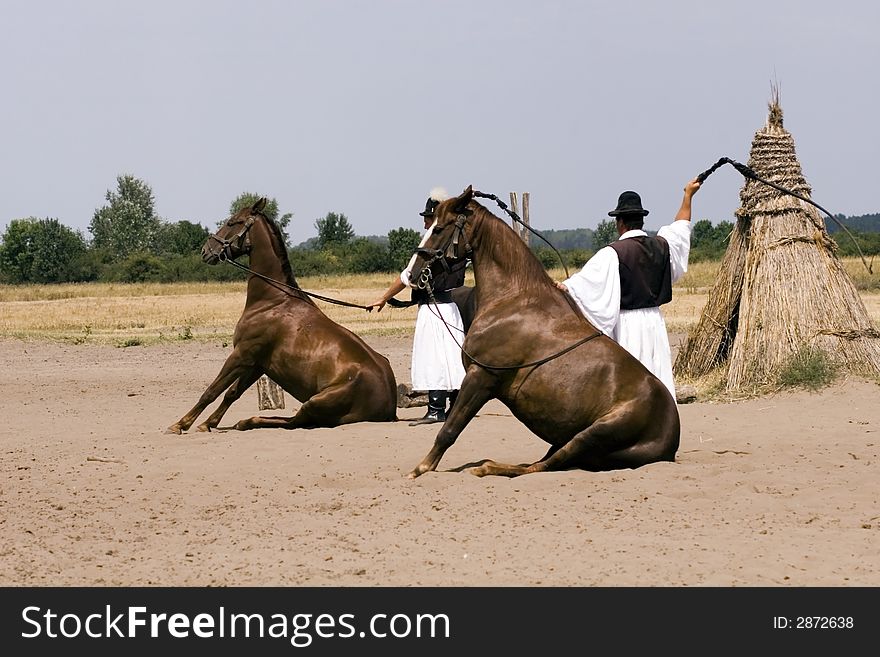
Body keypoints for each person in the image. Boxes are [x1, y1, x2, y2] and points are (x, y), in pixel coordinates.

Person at [556, 178, 701, 399]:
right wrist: (688, 196)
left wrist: (563, 287)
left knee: (630, 388)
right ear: (641, 221)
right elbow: (681, 227)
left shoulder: (613, 253)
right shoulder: (663, 246)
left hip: (628, 328)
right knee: (657, 378)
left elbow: (583, 285)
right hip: (655, 323)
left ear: (620, 222)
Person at [368, 188, 467, 425]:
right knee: (451, 359)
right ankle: (454, 407)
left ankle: (435, 410)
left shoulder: (432, 244)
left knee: (434, 359)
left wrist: (384, 297)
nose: (424, 223)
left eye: (427, 218)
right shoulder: (455, 243)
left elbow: (408, 277)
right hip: (449, 308)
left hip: (433, 309)